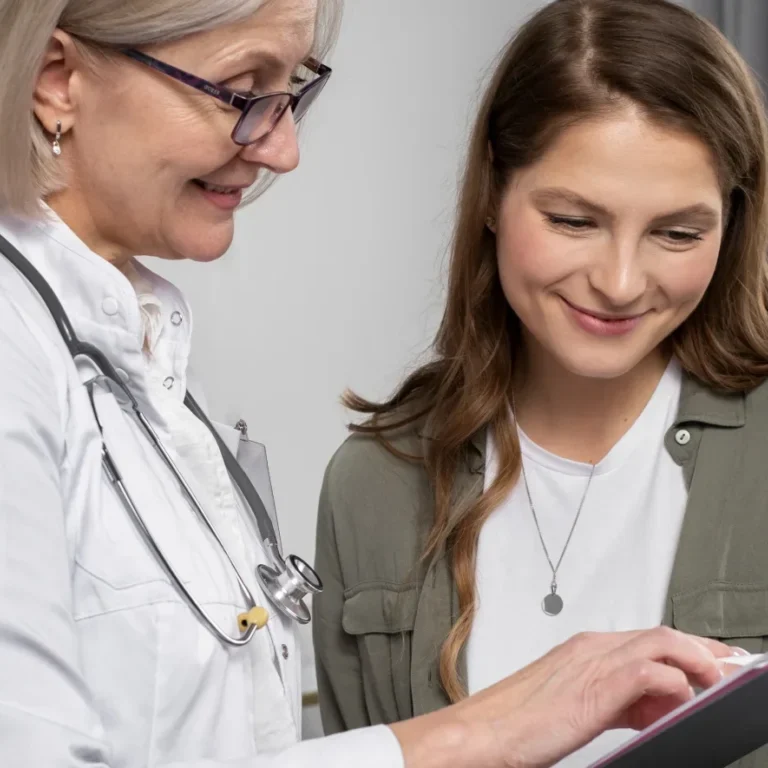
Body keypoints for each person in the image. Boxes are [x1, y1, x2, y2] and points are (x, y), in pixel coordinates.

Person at [0, 0, 734, 767]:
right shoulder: (22, 351)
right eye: (242, 91)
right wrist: (486, 733)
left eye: (293, 91)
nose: (284, 150)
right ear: (58, 78)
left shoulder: (138, 353)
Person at [313, 0, 768, 766]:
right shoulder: (373, 485)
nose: (620, 282)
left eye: (677, 233)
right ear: (493, 192)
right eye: (573, 221)